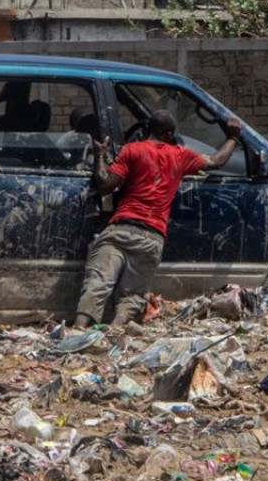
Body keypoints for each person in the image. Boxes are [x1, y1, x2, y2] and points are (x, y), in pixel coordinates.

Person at [74, 110, 242, 328]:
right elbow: (217, 161)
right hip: (151, 237)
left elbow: (105, 184)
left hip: (120, 229)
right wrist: (233, 137)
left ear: (147, 130)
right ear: (169, 134)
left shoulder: (132, 150)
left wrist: (100, 155)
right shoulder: (180, 155)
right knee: (132, 294)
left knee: (97, 283)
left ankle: (78, 329)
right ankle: (115, 331)